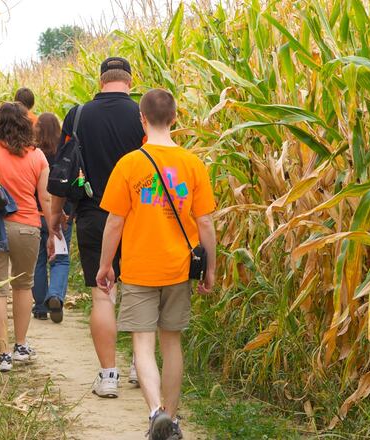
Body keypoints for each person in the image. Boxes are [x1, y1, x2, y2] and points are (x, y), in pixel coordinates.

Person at [96, 89, 217, 439]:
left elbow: (115, 222)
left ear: (142, 119)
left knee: (143, 344)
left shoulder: (129, 164)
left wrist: (106, 265)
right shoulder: (192, 164)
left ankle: (155, 413)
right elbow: (205, 222)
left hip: (139, 268)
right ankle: (172, 420)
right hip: (179, 268)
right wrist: (210, 268)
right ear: (175, 118)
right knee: (172, 343)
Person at [48, 57, 146, 398]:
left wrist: (55, 217)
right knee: (139, 292)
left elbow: (62, 169)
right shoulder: (142, 115)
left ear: (101, 80)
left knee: (103, 294)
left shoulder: (78, 115)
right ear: (130, 81)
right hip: (137, 217)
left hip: (93, 214)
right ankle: (140, 366)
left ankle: (108, 377)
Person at [0, 102, 52, 372]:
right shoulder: (37, 156)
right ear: (26, 124)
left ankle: (3, 353)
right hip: (27, 226)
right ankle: (20, 345)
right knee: (23, 286)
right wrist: (53, 231)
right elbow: (45, 198)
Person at [32, 113, 72, 323]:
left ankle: (40, 307)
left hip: (35, 214)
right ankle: (55, 295)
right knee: (60, 259)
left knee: (37, 261)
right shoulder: (64, 154)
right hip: (61, 214)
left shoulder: (33, 154)